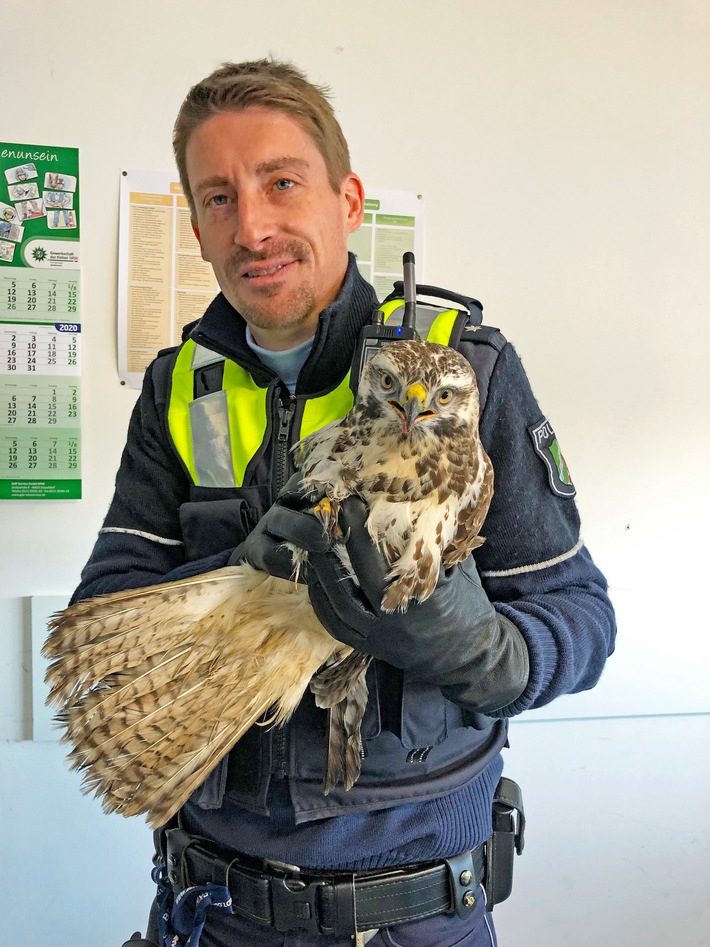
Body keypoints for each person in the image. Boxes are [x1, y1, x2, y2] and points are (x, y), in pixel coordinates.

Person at [74, 59, 616, 946]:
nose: (252, 225)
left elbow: (582, 618)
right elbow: (103, 619)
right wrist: (245, 577)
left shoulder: (465, 370)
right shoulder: (179, 391)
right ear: (199, 230)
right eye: (217, 198)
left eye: (281, 182)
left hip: (415, 914)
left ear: (348, 200)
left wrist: (487, 652)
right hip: (214, 910)